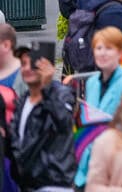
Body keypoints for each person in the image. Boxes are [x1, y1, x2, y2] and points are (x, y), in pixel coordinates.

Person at [10, 45, 77, 190]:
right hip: (28, 184)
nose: (27, 68)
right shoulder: (22, 101)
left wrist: (47, 88)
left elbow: (64, 122)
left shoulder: (61, 94)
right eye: (23, 64)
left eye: (34, 63)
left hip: (53, 182)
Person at [74, 27, 122, 188]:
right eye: (98, 48)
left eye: (109, 48)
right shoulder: (92, 82)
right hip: (89, 161)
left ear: (120, 52)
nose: (102, 53)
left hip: (116, 160)